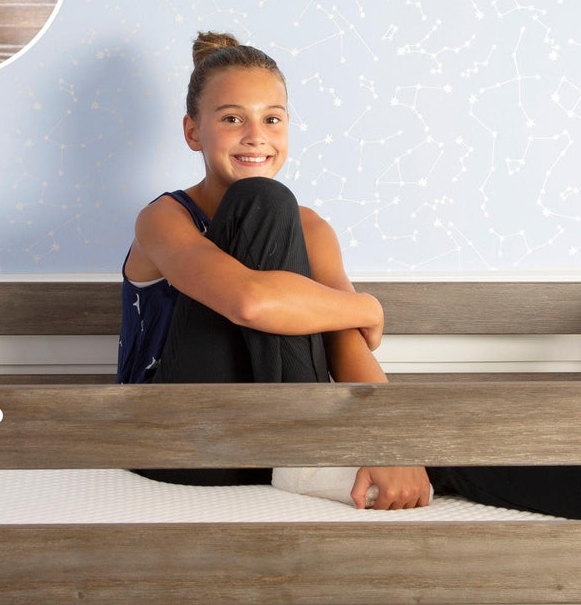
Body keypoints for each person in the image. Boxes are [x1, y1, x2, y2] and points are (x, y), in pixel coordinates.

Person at [117, 30, 579, 518]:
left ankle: (361, 464)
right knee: (265, 201)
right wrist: (367, 306)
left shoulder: (310, 229)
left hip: (271, 436)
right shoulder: (165, 218)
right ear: (193, 132)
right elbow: (248, 302)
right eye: (232, 119)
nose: (256, 136)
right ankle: (316, 457)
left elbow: (342, 340)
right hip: (177, 438)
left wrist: (390, 440)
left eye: (272, 119)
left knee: (433, 448)